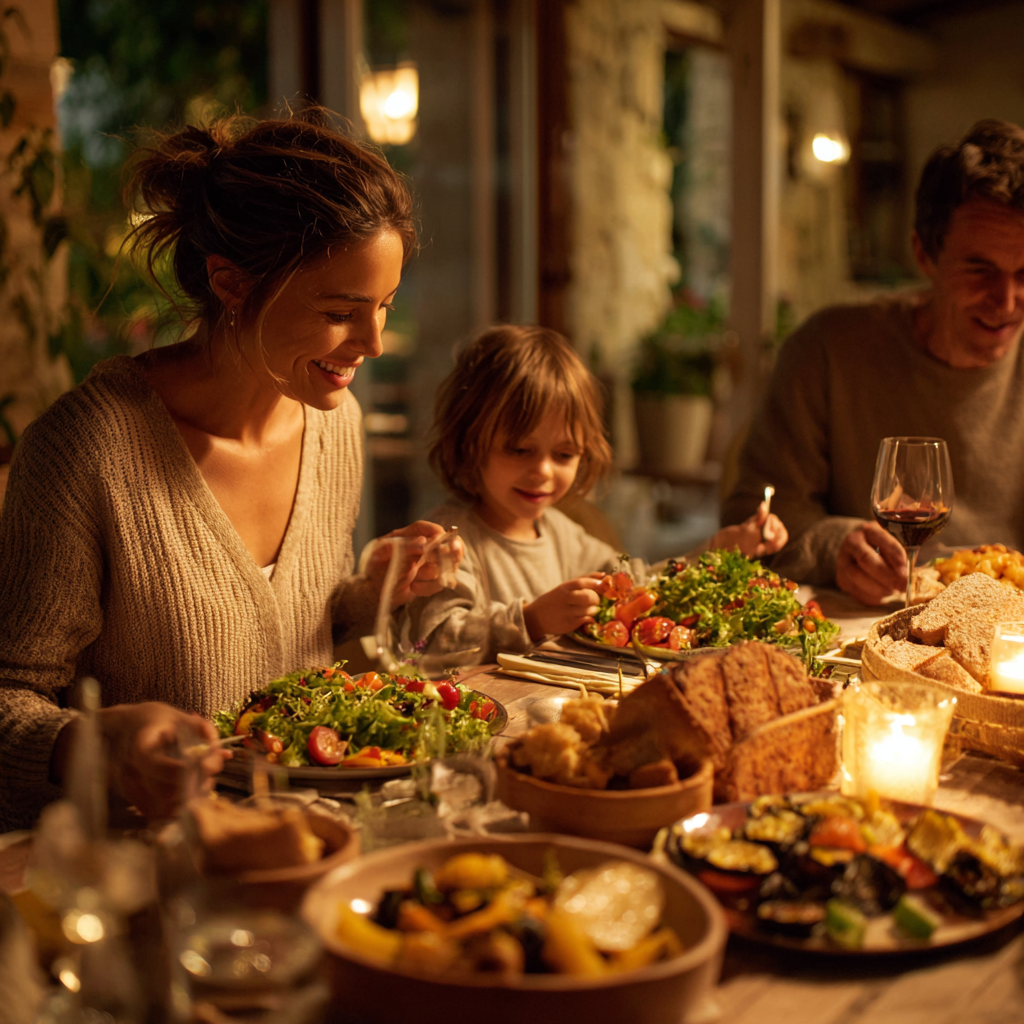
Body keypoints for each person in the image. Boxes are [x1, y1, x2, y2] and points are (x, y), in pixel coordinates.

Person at [0, 109, 458, 830]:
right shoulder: (87, 451)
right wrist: (95, 741)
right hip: (151, 871)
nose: (372, 342)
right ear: (232, 283)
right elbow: (8, 701)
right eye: (342, 312)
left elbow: (294, 643)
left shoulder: (336, 424)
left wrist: (374, 590)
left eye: (384, 307)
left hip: (310, 846)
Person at [722, 118, 1024, 606]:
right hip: (859, 635)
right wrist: (833, 547)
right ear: (923, 253)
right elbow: (750, 518)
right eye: (980, 269)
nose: (1007, 300)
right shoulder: (829, 350)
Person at [397, 325, 788, 663]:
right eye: (519, 449)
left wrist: (720, 549)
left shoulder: (562, 533)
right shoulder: (447, 542)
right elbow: (431, 644)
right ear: (469, 442)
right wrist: (531, 620)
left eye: (564, 454)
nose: (544, 471)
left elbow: (638, 589)